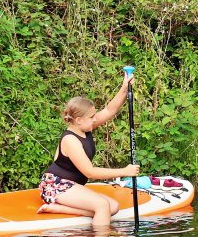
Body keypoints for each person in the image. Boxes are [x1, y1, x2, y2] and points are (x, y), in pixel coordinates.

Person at [37, 70, 141, 225]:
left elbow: (109, 110)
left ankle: (58, 208)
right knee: (102, 205)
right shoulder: (70, 140)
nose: (95, 119)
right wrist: (124, 171)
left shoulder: (85, 126)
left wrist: (124, 88)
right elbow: (89, 172)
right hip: (56, 186)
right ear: (78, 120)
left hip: (72, 186)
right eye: (92, 117)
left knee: (113, 207)